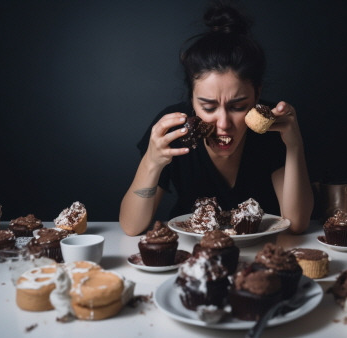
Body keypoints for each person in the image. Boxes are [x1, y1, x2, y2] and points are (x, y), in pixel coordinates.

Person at [120, 3, 313, 236]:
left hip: (262, 253)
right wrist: (152, 161)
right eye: (208, 107)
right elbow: (131, 227)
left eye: (238, 106)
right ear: (191, 98)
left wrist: (293, 145)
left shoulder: (273, 127)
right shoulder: (173, 129)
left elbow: (297, 223)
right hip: (190, 253)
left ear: (257, 95)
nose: (223, 123)